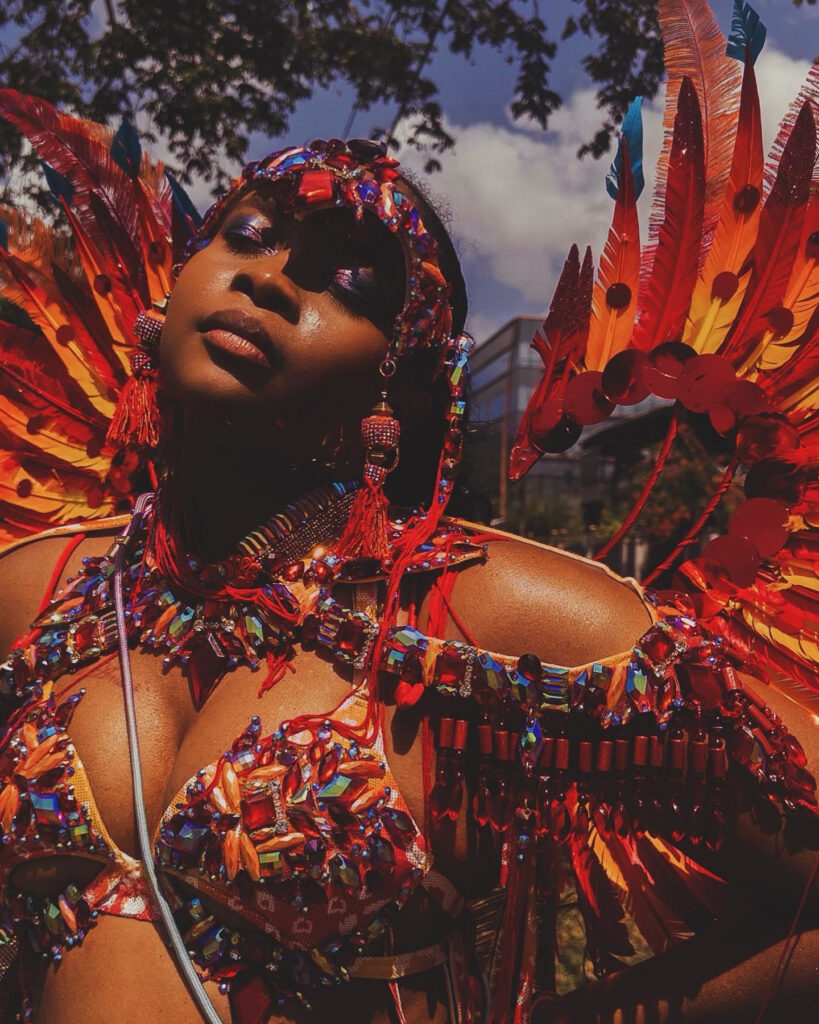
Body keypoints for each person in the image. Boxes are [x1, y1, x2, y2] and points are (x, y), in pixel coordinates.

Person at [0, 4, 818, 1023]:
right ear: (164, 294)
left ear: (406, 392)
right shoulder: (42, 586)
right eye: (246, 233)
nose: (272, 275)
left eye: (350, 281)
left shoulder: (474, 616)